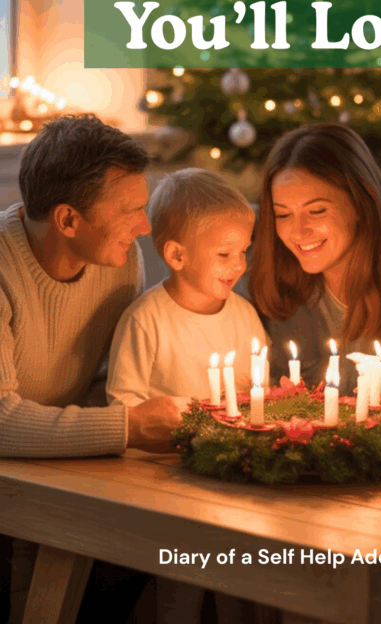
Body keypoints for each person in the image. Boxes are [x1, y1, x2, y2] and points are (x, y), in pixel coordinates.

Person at [0, 114, 183, 624]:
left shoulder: (117, 262)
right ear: (67, 220)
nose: (145, 227)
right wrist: (128, 426)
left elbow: (108, 375)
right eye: (129, 211)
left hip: (59, 462)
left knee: (148, 536)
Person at [107, 168, 266, 624]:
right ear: (176, 255)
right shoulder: (146, 321)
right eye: (224, 254)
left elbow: (259, 392)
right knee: (183, 584)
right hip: (168, 487)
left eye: (243, 252)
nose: (239, 265)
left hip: (234, 478)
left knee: (242, 580)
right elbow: (123, 409)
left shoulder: (243, 316)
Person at [248, 123, 381, 403]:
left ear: (361, 202)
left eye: (316, 211)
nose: (297, 232)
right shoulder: (277, 286)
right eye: (282, 215)